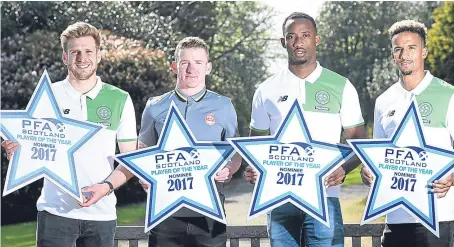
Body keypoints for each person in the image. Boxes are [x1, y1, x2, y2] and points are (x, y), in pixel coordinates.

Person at [81, 36, 242, 247]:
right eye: (185, 63)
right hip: (165, 212)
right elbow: (142, 151)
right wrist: (144, 176)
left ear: (208, 67)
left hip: (210, 213)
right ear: (175, 66)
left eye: (198, 62)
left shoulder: (223, 105)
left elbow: (235, 153)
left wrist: (229, 169)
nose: (191, 69)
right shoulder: (155, 106)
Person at [1, 22, 138, 247]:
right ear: (65, 57)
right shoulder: (47, 97)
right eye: (75, 52)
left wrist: (105, 188)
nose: (82, 58)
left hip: (102, 217)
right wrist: (14, 153)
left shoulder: (120, 98)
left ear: (99, 55)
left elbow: (130, 161)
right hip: (54, 214)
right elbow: (27, 153)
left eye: (88, 52)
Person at [243, 12, 366, 247]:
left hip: (325, 198)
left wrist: (343, 169)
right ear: (283, 42)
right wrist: (253, 170)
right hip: (279, 200)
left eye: (305, 35)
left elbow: (358, 143)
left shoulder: (341, 86)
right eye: (291, 36)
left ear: (316, 40)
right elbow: (255, 147)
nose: (298, 42)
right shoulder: (266, 89)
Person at [361, 20, 454, 247]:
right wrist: (368, 171)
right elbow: (379, 156)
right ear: (393, 55)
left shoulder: (448, 94)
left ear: (424, 51)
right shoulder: (384, 101)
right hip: (396, 218)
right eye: (398, 49)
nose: (404, 54)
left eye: (411, 47)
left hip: (439, 218)